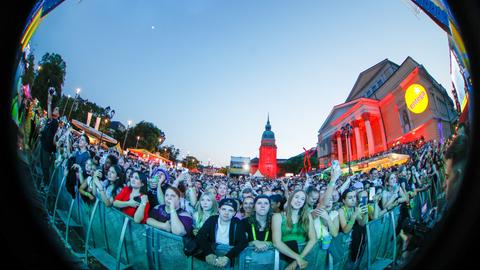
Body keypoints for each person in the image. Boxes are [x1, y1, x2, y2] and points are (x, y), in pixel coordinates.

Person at [272, 189, 317, 270]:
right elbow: (276, 243)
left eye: (302, 199)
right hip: (284, 258)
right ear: (290, 198)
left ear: (304, 203)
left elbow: (313, 239)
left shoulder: (307, 216)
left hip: (304, 255)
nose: (299, 200)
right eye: (296, 197)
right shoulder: (278, 217)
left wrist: (298, 259)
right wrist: (298, 258)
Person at [196, 198, 248, 268]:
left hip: (229, 259)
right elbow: (201, 235)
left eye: (230, 210)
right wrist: (208, 253)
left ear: (234, 213)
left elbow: (243, 242)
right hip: (213, 256)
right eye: (223, 209)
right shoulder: (212, 219)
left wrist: (228, 257)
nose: (226, 213)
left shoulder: (237, 222)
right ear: (219, 210)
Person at [38, 91, 60, 189]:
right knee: (42, 165)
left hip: (48, 148)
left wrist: (50, 102)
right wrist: (49, 98)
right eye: (55, 108)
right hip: (43, 144)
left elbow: (49, 113)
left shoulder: (55, 122)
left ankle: (46, 185)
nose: (55, 110)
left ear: (58, 114)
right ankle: (43, 182)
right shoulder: (49, 120)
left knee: (46, 167)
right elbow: (48, 111)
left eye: (57, 110)